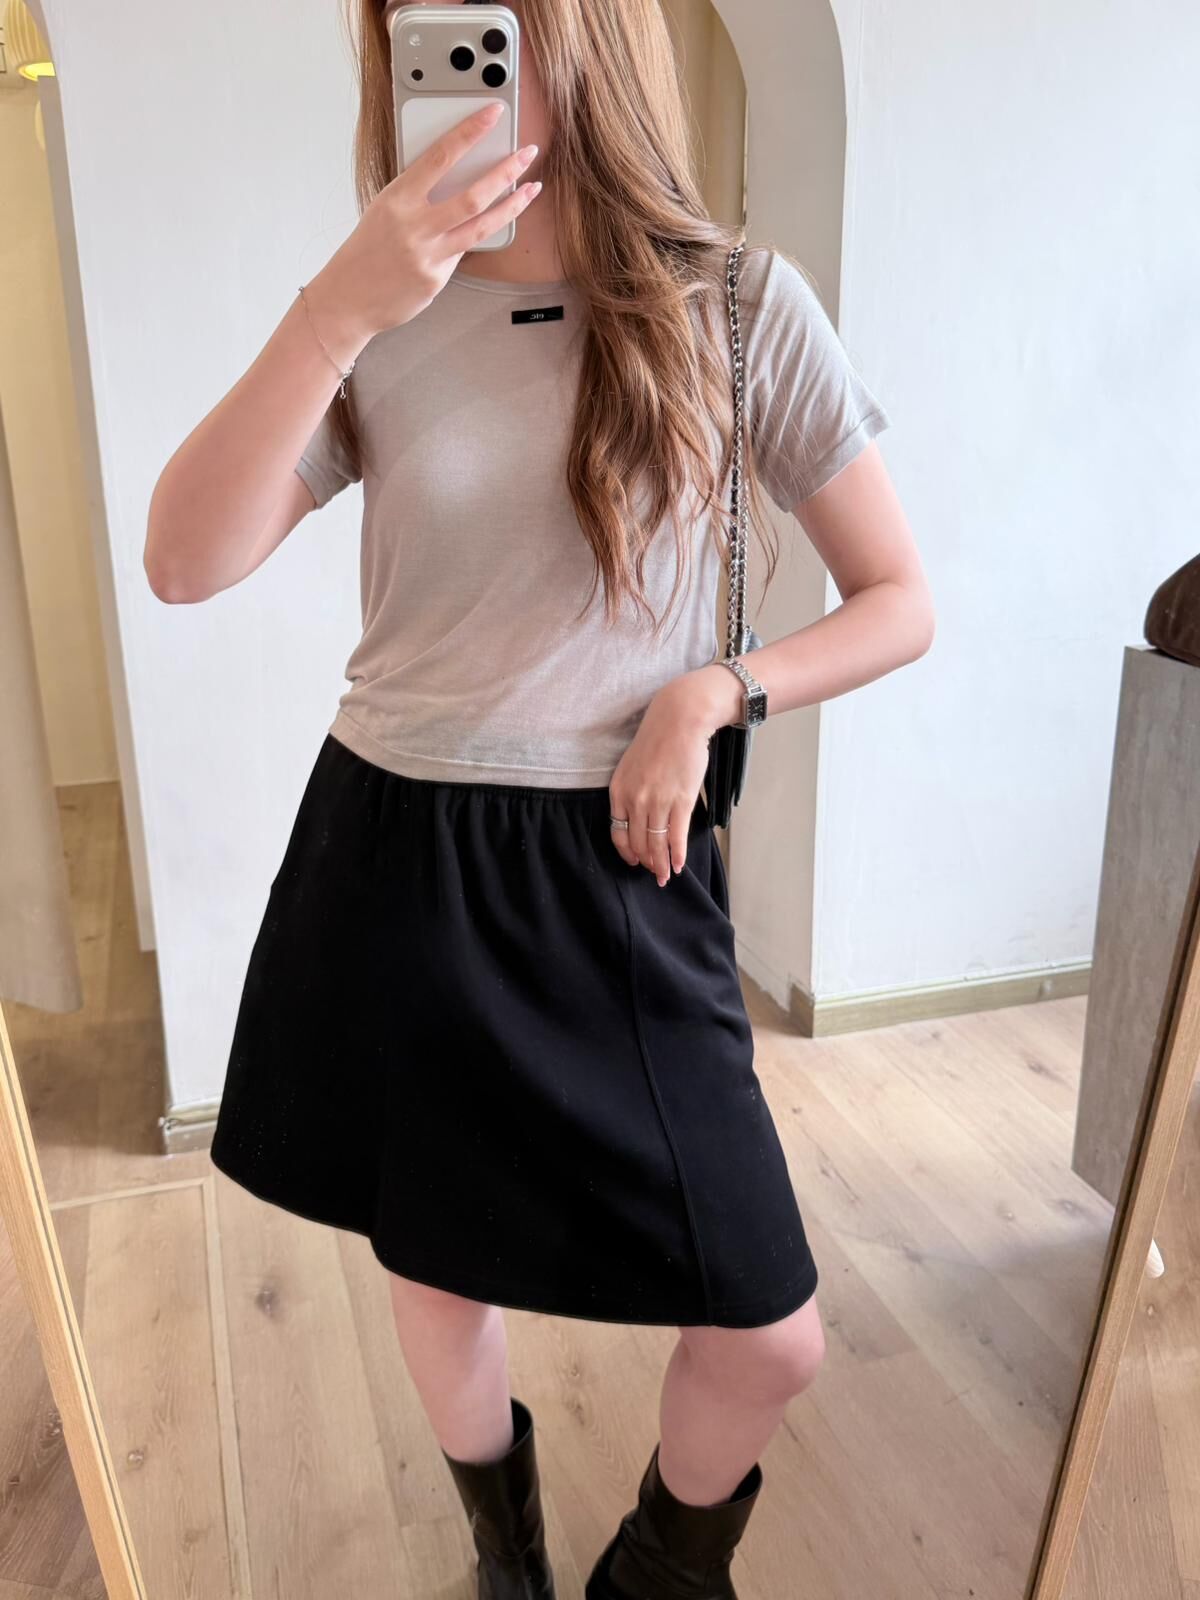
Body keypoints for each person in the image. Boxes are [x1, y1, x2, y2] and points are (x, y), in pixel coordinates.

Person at [145, 2, 934, 1595]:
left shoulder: (739, 306)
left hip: (623, 859)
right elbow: (182, 561)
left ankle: (655, 1574)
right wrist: (336, 308)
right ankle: (503, 1558)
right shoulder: (376, 317)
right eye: (413, 26)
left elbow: (900, 600)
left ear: (583, 36)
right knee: (436, 1261)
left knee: (770, 1332)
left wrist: (715, 690)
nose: (447, 60)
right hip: (395, 850)